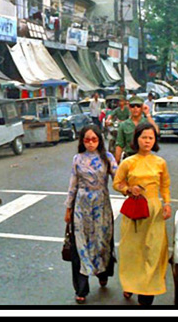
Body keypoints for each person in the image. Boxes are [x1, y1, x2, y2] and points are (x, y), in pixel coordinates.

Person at [113, 122, 172, 306]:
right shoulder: (128, 162)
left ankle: (146, 293)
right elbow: (117, 183)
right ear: (137, 139)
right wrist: (128, 190)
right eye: (144, 137)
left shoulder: (160, 162)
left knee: (152, 250)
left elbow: (165, 186)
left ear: (155, 141)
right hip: (134, 211)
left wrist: (167, 203)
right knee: (132, 250)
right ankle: (131, 283)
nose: (147, 141)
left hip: (154, 211)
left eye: (150, 138)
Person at [64, 125, 118, 304]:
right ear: (82, 141)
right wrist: (68, 209)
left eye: (94, 139)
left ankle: (103, 273)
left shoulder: (107, 157)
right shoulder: (77, 159)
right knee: (80, 245)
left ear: (100, 140)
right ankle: (81, 288)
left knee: (102, 241)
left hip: (101, 205)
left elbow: (118, 179)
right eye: (87, 140)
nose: (90, 143)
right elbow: (73, 184)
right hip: (81, 205)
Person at [114, 96, 159, 163]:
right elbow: (119, 145)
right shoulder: (124, 125)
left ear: (142, 107)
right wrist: (116, 163)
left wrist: (147, 114)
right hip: (129, 158)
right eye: (132, 106)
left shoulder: (146, 123)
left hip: (145, 158)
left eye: (138, 106)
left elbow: (156, 131)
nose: (135, 108)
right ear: (129, 107)